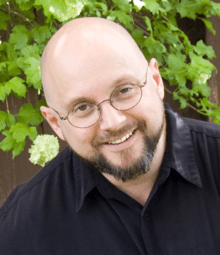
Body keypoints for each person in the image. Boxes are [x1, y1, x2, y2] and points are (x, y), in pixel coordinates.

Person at [0, 17, 220, 255]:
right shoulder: (23, 225)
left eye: (124, 90)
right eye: (82, 107)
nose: (113, 122)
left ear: (156, 81)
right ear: (55, 123)